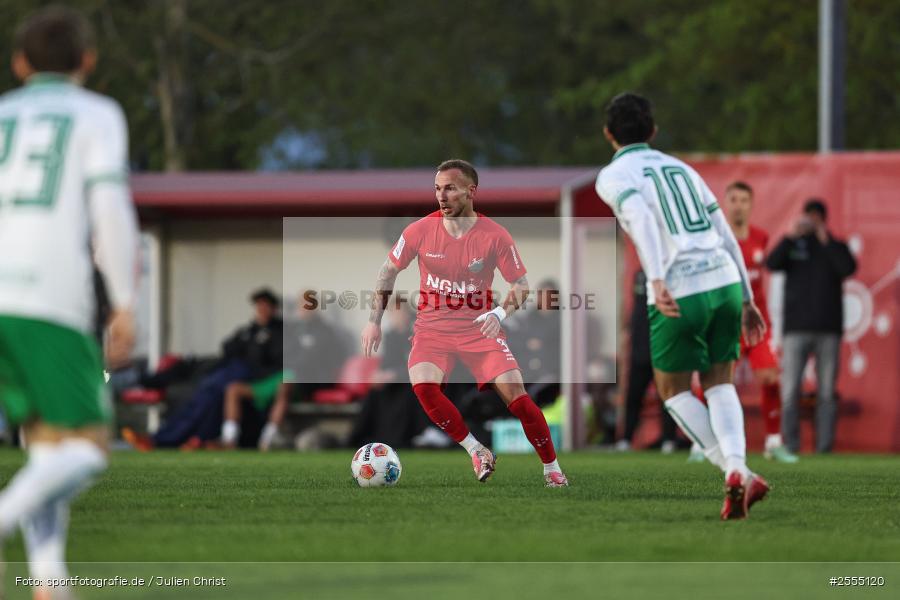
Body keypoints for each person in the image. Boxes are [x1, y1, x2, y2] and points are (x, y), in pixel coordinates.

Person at [0, 6, 139, 596]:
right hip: (49, 294)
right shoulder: (97, 114)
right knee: (87, 449)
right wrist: (125, 301)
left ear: (20, 63)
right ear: (88, 61)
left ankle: (49, 580)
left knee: (45, 445)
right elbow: (109, 207)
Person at [595, 92, 768, 519]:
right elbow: (724, 231)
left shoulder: (615, 174)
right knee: (720, 382)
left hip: (679, 286)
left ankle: (736, 472)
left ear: (608, 134)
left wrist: (655, 276)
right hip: (725, 279)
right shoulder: (683, 168)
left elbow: (640, 217)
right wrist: (746, 296)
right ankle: (739, 469)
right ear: (652, 131)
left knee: (672, 391)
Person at [360, 159, 568, 487]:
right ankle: (476, 450)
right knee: (424, 388)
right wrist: (374, 321)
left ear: (471, 191)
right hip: (432, 329)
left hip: (479, 329)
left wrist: (499, 314)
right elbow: (387, 271)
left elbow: (522, 285)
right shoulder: (418, 230)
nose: (442, 196)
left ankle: (552, 468)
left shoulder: (494, 235)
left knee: (519, 399)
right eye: (437, 189)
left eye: (450, 188)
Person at [124, 288, 283, 449]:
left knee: (211, 392)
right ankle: (170, 437)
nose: (261, 309)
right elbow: (227, 347)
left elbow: (271, 361)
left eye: (265, 306)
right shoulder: (247, 331)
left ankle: (168, 439)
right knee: (200, 388)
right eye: (259, 306)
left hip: (253, 377)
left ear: (273, 308)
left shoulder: (279, 332)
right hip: (229, 369)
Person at [766, 199, 856, 453]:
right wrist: (789, 236)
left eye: (817, 217)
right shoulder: (794, 244)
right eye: (809, 216)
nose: (812, 221)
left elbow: (847, 268)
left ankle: (824, 447)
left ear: (824, 219)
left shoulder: (835, 246)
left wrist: (825, 239)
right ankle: (790, 446)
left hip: (828, 329)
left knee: (826, 393)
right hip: (796, 329)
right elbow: (772, 263)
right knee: (790, 391)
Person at [722, 181, 798, 462]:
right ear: (725, 203)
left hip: (757, 325)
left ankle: (773, 442)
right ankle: (705, 443)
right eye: (734, 199)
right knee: (716, 385)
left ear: (751, 205)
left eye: (744, 200)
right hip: (728, 325)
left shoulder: (761, 238)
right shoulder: (717, 240)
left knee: (769, 377)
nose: (739, 205)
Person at [616, 270, 678, 454]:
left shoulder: (669, 276)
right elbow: (631, 312)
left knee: (667, 398)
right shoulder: (640, 275)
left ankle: (669, 440)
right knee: (633, 397)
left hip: (663, 350)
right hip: (639, 350)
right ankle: (626, 439)